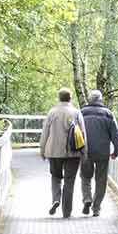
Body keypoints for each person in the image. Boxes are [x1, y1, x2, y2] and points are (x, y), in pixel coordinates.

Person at [38, 89, 84, 217]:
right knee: (69, 181)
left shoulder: (52, 112)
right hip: (72, 152)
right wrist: (85, 152)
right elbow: (83, 133)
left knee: (56, 177)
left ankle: (56, 199)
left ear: (59, 98)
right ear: (71, 98)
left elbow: (45, 132)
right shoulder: (76, 112)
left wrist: (42, 149)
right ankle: (67, 212)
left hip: (54, 152)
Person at [79, 90, 118, 216]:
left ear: (89, 99)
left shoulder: (81, 113)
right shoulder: (108, 114)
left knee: (85, 177)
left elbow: (75, 132)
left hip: (85, 151)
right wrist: (116, 150)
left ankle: (87, 198)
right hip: (102, 152)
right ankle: (96, 207)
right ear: (100, 100)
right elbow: (115, 133)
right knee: (101, 180)